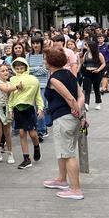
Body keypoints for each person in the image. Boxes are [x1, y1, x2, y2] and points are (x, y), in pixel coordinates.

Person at [43, 47, 86, 200]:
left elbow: (70, 98)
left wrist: (78, 113)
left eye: (45, 58)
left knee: (68, 154)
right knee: (63, 150)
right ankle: (61, 179)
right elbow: (81, 96)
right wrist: (79, 111)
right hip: (70, 117)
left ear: (50, 62)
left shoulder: (54, 79)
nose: (44, 61)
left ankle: (75, 189)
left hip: (63, 118)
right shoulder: (69, 74)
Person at [8, 57, 44, 169]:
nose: (19, 70)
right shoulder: (13, 80)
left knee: (32, 133)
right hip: (17, 108)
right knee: (22, 133)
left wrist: (40, 108)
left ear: (26, 67)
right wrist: (10, 109)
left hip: (28, 108)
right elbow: (11, 95)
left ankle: (36, 146)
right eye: (17, 68)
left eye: (21, 68)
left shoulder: (33, 79)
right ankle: (26, 159)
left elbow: (38, 95)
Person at [0, 64, 15, 164]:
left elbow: (11, 96)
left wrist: (11, 110)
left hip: (6, 108)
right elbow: (6, 89)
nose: (6, 72)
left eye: (7, 70)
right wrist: (17, 86)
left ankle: (10, 153)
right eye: (3, 71)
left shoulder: (10, 83)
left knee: (8, 133)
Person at [27, 37, 49, 138]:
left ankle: (41, 130)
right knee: (34, 107)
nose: (35, 45)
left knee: (41, 107)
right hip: (31, 84)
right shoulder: (28, 55)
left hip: (43, 84)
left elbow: (45, 70)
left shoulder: (45, 55)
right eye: (33, 43)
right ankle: (39, 127)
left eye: (37, 43)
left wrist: (33, 70)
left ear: (41, 44)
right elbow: (26, 70)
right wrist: (38, 68)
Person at [79, 41, 106, 111]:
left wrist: (98, 70)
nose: (86, 47)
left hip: (96, 73)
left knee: (96, 88)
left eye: (87, 46)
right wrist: (81, 56)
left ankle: (98, 103)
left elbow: (103, 64)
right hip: (87, 73)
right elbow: (83, 63)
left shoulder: (99, 54)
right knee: (87, 89)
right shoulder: (86, 54)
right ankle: (86, 103)